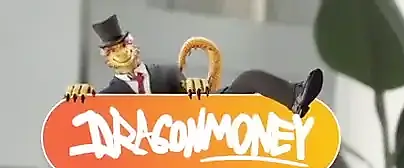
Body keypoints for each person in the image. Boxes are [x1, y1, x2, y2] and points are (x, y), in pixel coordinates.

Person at [65, 15, 324, 118]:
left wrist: (193, 85)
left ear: (134, 46)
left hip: (203, 121)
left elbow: (188, 89)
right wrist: (81, 97)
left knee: (250, 78)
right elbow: (93, 116)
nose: (121, 52)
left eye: (124, 45)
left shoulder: (165, 72)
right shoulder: (111, 95)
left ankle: (294, 96)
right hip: (165, 149)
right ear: (107, 59)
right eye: (113, 50)